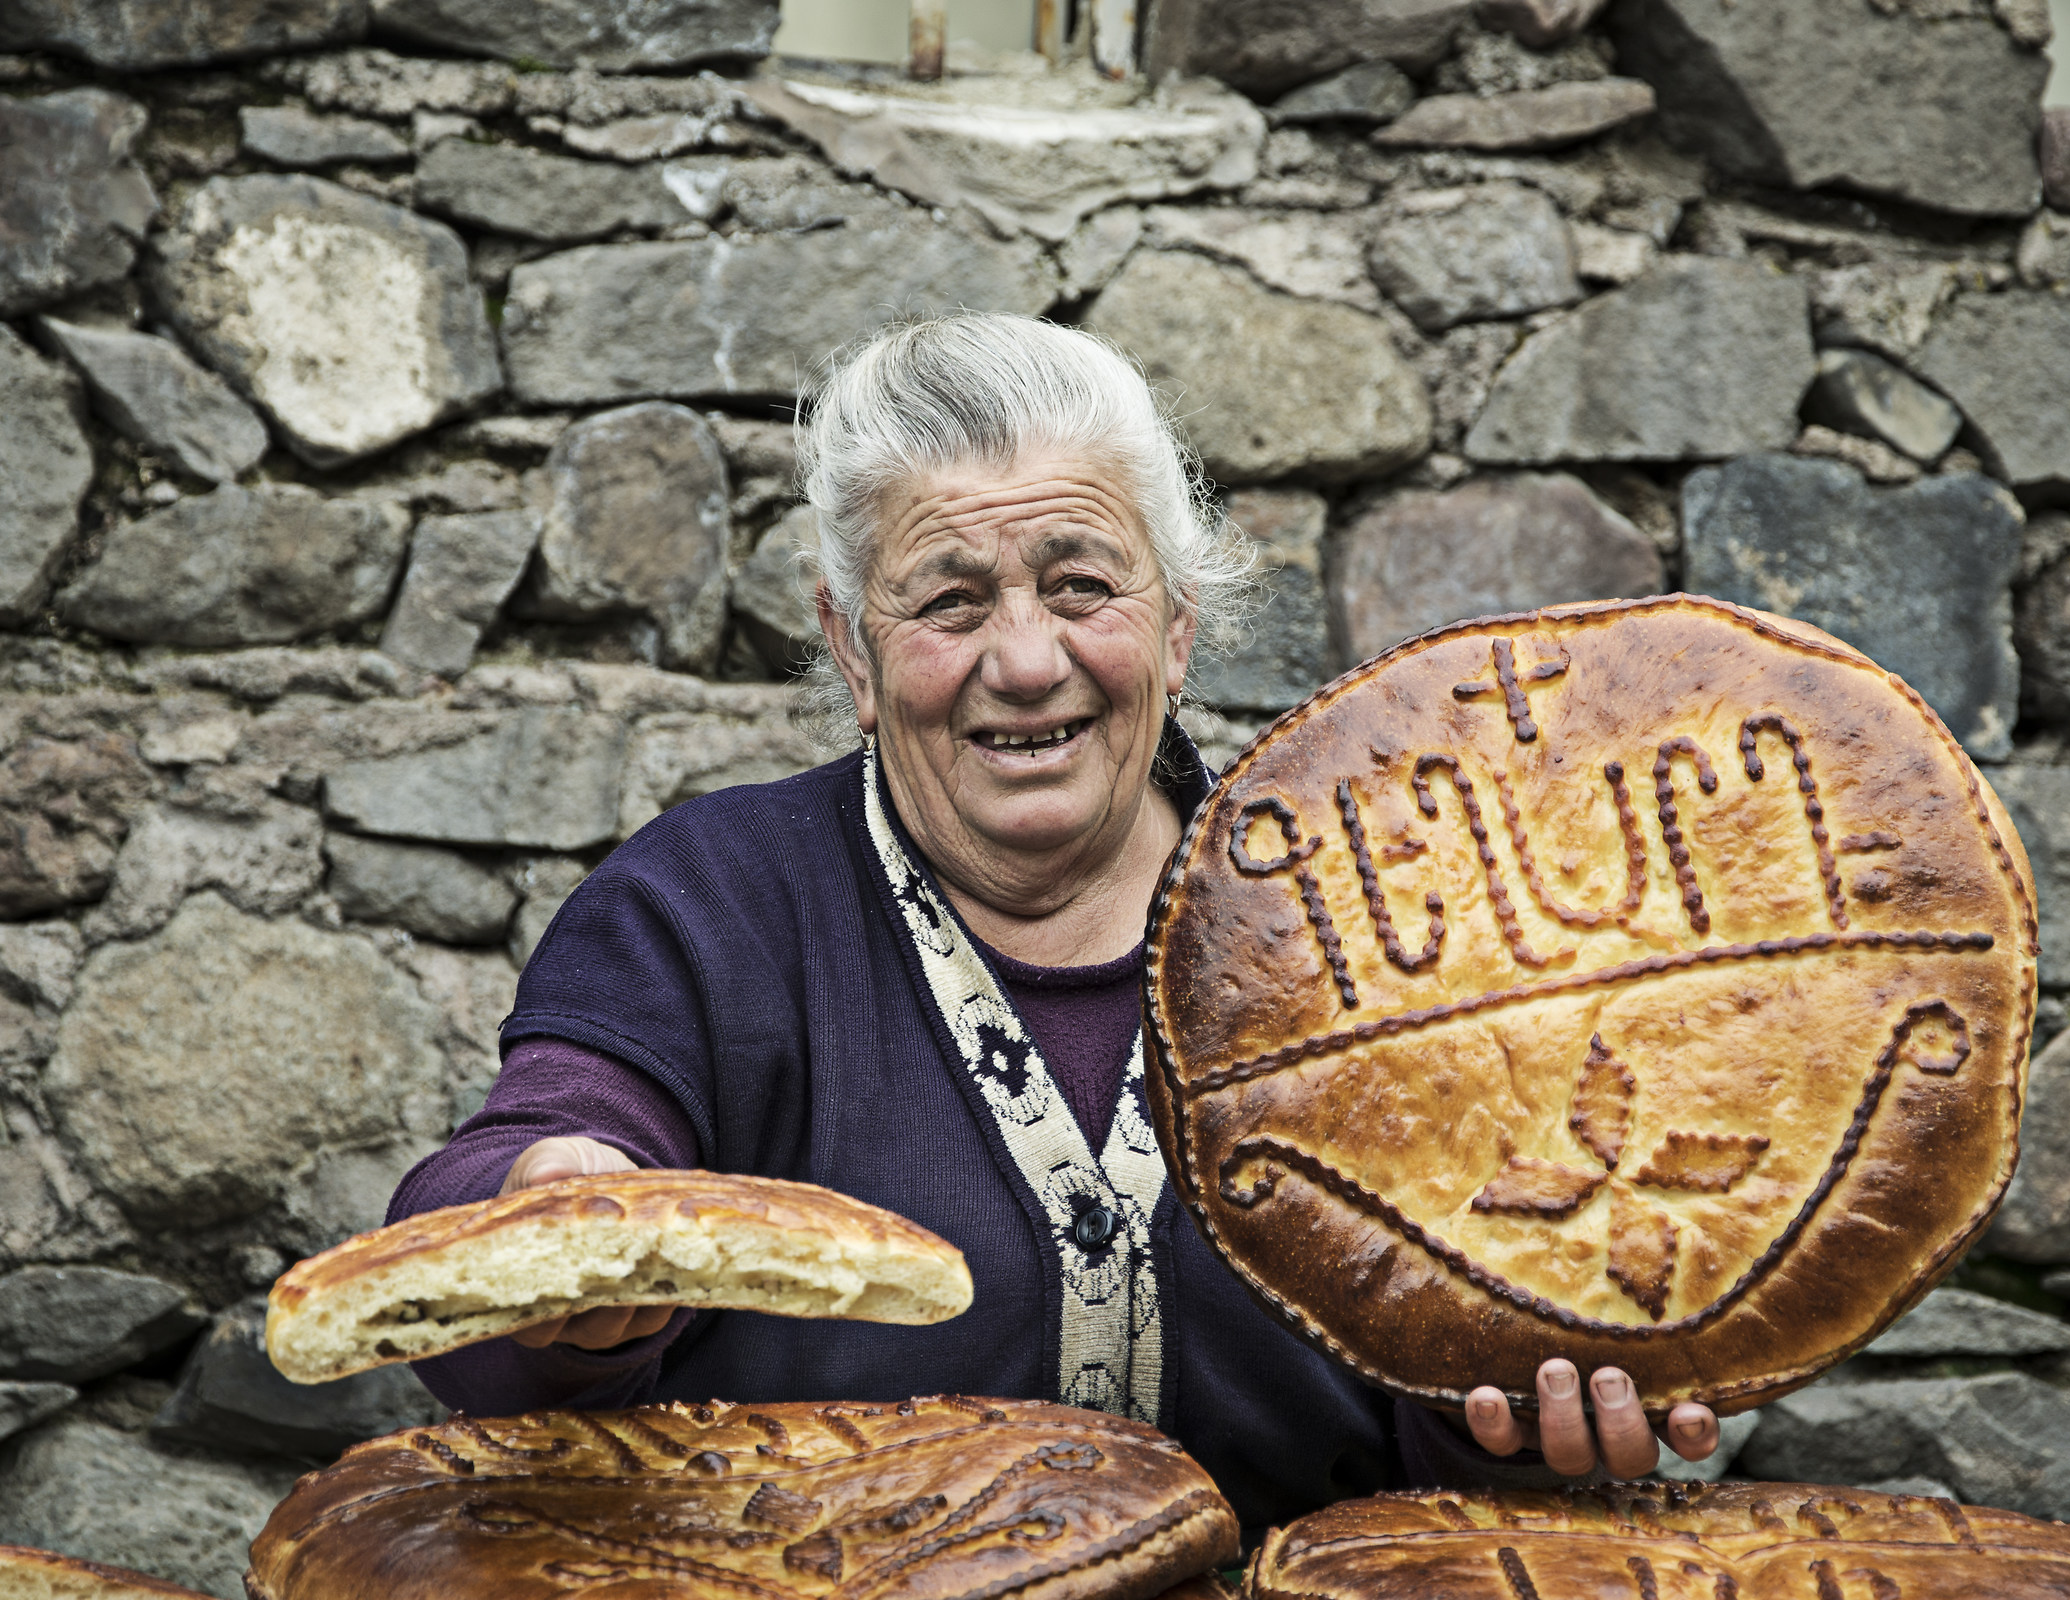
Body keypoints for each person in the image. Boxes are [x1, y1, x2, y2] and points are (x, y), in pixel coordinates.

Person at [389, 312, 1719, 1538]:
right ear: (851, 649)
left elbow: (1472, 1370)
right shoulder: (712, 907)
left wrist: (1507, 1424)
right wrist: (555, 1223)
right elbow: (478, 1258)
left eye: (1083, 586)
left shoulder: (1370, 924)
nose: (1026, 662)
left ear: (1180, 625)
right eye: (950, 602)